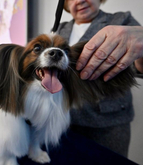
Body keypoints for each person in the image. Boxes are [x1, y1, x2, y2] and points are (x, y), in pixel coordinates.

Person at [56, 0, 142, 157]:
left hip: (108, 123)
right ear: (66, 5)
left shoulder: (122, 21)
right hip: (65, 121)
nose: (80, 0)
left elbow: (139, 66)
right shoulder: (61, 29)